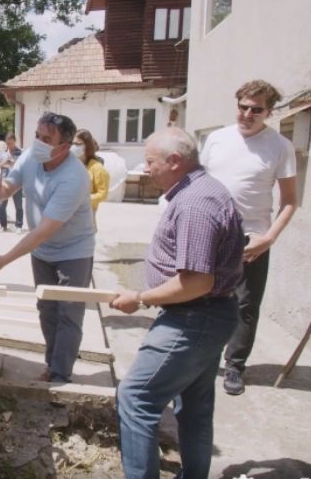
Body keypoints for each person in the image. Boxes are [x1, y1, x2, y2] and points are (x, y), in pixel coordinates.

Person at [110, 127, 245, 479]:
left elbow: (197, 282)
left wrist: (140, 298)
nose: (146, 168)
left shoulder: (195, 203)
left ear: (174, 161)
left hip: (193, 317)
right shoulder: (200, 191)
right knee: (195, 407)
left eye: (150, 161)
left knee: (136, 398)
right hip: (207, 315)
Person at [200, 79, 298, 396]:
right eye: (243, 107)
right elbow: (199, 182)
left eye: (256, 110)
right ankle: (202, 360)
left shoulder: (280, 146)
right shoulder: (217, 139)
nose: (247, 114)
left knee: (244, 304)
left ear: (269, 112)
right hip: (211, 233)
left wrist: (268, 238)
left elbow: (290, 201)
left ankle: (235, 366)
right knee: (203, 296)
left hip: (251, 237)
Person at [0, 112, 95, 383]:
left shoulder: (74, 178)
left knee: (68, 314)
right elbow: (8, 187)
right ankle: (52, 363)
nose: (38, 143)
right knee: (47, 311)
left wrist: (4, 259)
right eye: (37, 136)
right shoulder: (31, 157)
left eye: (46, 139)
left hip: (73, 253)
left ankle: (60, 375)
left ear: (64, 147)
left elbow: (42, 232)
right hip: (43, 253)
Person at [72, 129, 109, 228]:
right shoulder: (69, 165)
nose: (73, 147)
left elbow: (103, 194)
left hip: (85, 222)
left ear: (87, 146)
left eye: (77, 144)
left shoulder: (97, 168)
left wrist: (83, 199)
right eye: (72, 144)